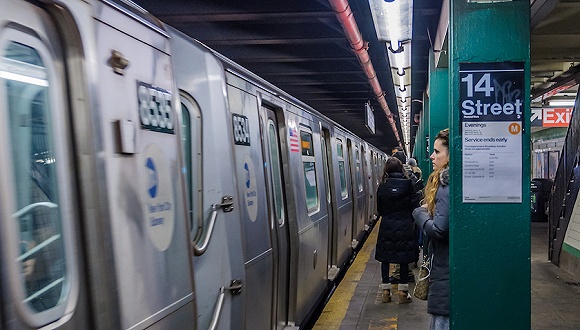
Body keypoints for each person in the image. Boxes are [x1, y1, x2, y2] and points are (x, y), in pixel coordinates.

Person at [412, 128, 450, 330]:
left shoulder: (445, 184)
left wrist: (420, 214)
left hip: (445, 272)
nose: (432, 156)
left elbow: (439, 230)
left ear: (449, 155)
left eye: (437, 152)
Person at [375, 157, 419, 304]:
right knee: (403, 259)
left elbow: (379, 209)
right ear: (401, 168)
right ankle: (402, 292)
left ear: (386, 169)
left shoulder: (382, 185)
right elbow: (414, 205)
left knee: (385, 258)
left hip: (387, 224)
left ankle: (386, 292)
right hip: (405, 224)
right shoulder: (408, 184)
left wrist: (388, 215)